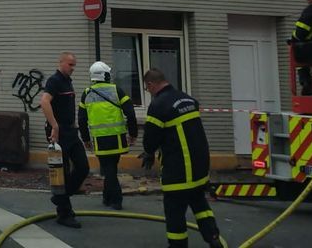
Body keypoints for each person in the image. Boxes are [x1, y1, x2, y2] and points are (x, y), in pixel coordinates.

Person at [141, 68, 221, 248]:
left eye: (147, 89)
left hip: (178, 168)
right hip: (199, 166)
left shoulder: (159, 105)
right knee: (199, 203)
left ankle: (178, 245)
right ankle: (213, 237)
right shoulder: (188, 99)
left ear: (151, 85)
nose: (149, 92)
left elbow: (150, 138)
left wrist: (149, 152)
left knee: (174, 211)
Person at [80, 61, 138, 210]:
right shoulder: (116, 90)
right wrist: (133, 134)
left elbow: (81, 119)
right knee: (111, 167)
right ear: (105, 75)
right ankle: (114, 199)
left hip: (99, 139)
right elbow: (130, 113)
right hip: (117, 138)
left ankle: (110, 198)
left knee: (108, 167)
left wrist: (85, 139)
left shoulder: (87, 93)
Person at [39, 52, 87, 228]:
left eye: (74, 65)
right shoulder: (55, 80)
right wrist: (55, 126)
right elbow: (44, 101)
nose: (73, 68)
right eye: (70, 64)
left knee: (83, 166)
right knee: (62, 173)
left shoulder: (68, 81)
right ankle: (64, 213)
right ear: (61, 63)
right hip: (59, 133)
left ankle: (61, 198)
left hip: (71, 132)